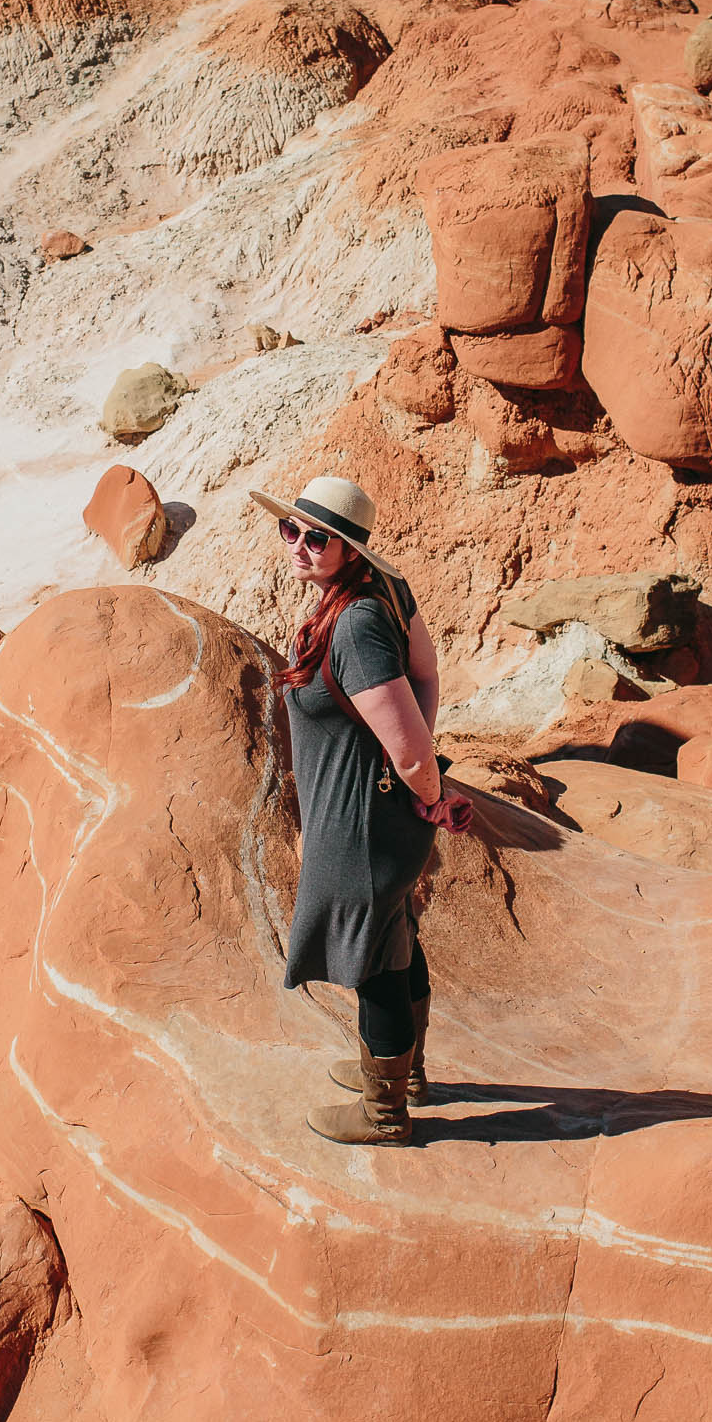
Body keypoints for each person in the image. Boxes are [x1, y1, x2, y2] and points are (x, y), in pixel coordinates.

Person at [252, 475, 471, 1148]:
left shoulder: (354, 626)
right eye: (291, 529)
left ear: (349, 550)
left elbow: (404, 740)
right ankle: (404, 1078)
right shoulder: (379, 598)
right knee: (394, 935)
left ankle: (384, 1116)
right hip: (376, 814)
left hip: (363, 823)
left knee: (375, 959)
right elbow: (428, 672)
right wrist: (415, 780)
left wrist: (425, 789)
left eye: (318, 538)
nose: (300, 546)